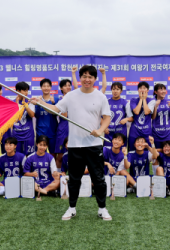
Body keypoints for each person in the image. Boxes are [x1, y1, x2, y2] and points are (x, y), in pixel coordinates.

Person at [31, 65, 112, 221]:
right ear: (80, 78)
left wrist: (101, 130)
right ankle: (72, 208)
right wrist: (40, 102)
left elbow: (107, 117)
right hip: (75, 145)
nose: (87, 79)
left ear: (94, 79)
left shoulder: (100, 97)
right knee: (74, 179)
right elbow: (55, 109)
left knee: (99, 178)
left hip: (94, 145)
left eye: (90, 77)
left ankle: (102, 208)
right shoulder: (70, 96)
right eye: (84, 76)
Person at [126, 82, 156, 151]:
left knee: (147, 152)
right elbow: (136, 111)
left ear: (148, 90)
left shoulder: (151, 100)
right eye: (140, 88)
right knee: (132, 151)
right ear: (138, 90)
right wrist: (141, 99)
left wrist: (144, 99)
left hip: (147, 131)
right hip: (134, 131)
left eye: (144, 88)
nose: (142, 90)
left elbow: (146, 112)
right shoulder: (133, 100)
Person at [35, 78, 60, 156]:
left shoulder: (56, 99)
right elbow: (36, 115)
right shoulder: (37, 100)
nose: (46, 88)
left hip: (52, 131)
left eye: (48, 86)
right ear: (41, 87)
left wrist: (53, 103)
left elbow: (57, 115)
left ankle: (53, 169)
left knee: (53, 155)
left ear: (51, 87)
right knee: (40, 154)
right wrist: (38, 104)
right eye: (44, 86)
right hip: (40, 131)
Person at [104, 82, 132, 147]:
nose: (115, 91)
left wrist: (126, 119)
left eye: (117, 89)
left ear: (121, 91)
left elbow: (132, 118)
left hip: (121, 134)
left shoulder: (125, 102)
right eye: (113, 89)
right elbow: (102, 117)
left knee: (121, 154)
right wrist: (104, 128)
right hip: (109, 133)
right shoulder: (107, 102)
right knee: (107, 153)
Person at [12, 82, 36, 156]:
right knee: (17, 156)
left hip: (29, 134)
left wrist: (25, 105)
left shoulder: (30, 102)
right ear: (18, 91)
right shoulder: (12, 103)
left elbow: (32, 115)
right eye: (24, 90)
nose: (26, 93)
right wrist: (16, 106)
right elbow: (13, 119)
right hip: (16, 135)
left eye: (27, 90)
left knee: (29, 156)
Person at [152, 84, 170, 151]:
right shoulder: (152, 102)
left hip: (168, 134)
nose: (163, 91)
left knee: (169, 153)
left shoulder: (169, 102)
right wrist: (155, 106)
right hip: (156, 134)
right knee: (157, 155)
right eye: (161, 89)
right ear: (156, 92)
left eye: (164, 89)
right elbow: (152, 117)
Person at [55, 79, 72, 169]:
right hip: (63, 129)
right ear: (61, 88)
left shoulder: (74, 99)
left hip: (73, 129)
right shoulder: (60, 100)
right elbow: (64, 115)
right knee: (61, 155)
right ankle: (59, 176)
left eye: (69, 85)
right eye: (65, 85)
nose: (68, 87)